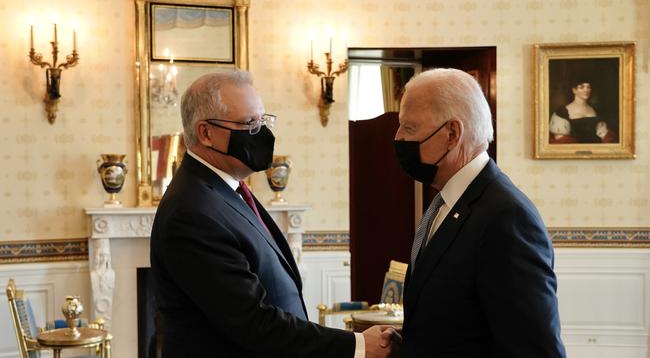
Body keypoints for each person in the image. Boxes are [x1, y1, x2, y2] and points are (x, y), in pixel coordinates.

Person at [150, 70, 393, 357]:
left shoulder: (224, 190)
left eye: (263, 120)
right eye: (250, 124)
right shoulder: (192, 211)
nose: (263, 134)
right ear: (206, 133)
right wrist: (358, 345)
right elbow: (254, 321)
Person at [390, 68, 566, 357]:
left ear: (452, 134)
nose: (398, 138)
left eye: (409, 128)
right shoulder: (445, 203)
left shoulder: (506, 218)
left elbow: (536, 349)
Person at [549, 78, 616, 144]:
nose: (586, 90)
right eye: (582, 87)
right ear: (574, 90)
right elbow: (561, 142)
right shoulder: (562, 112)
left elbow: (606, 137)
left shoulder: (595, 109)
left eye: (588, 87)